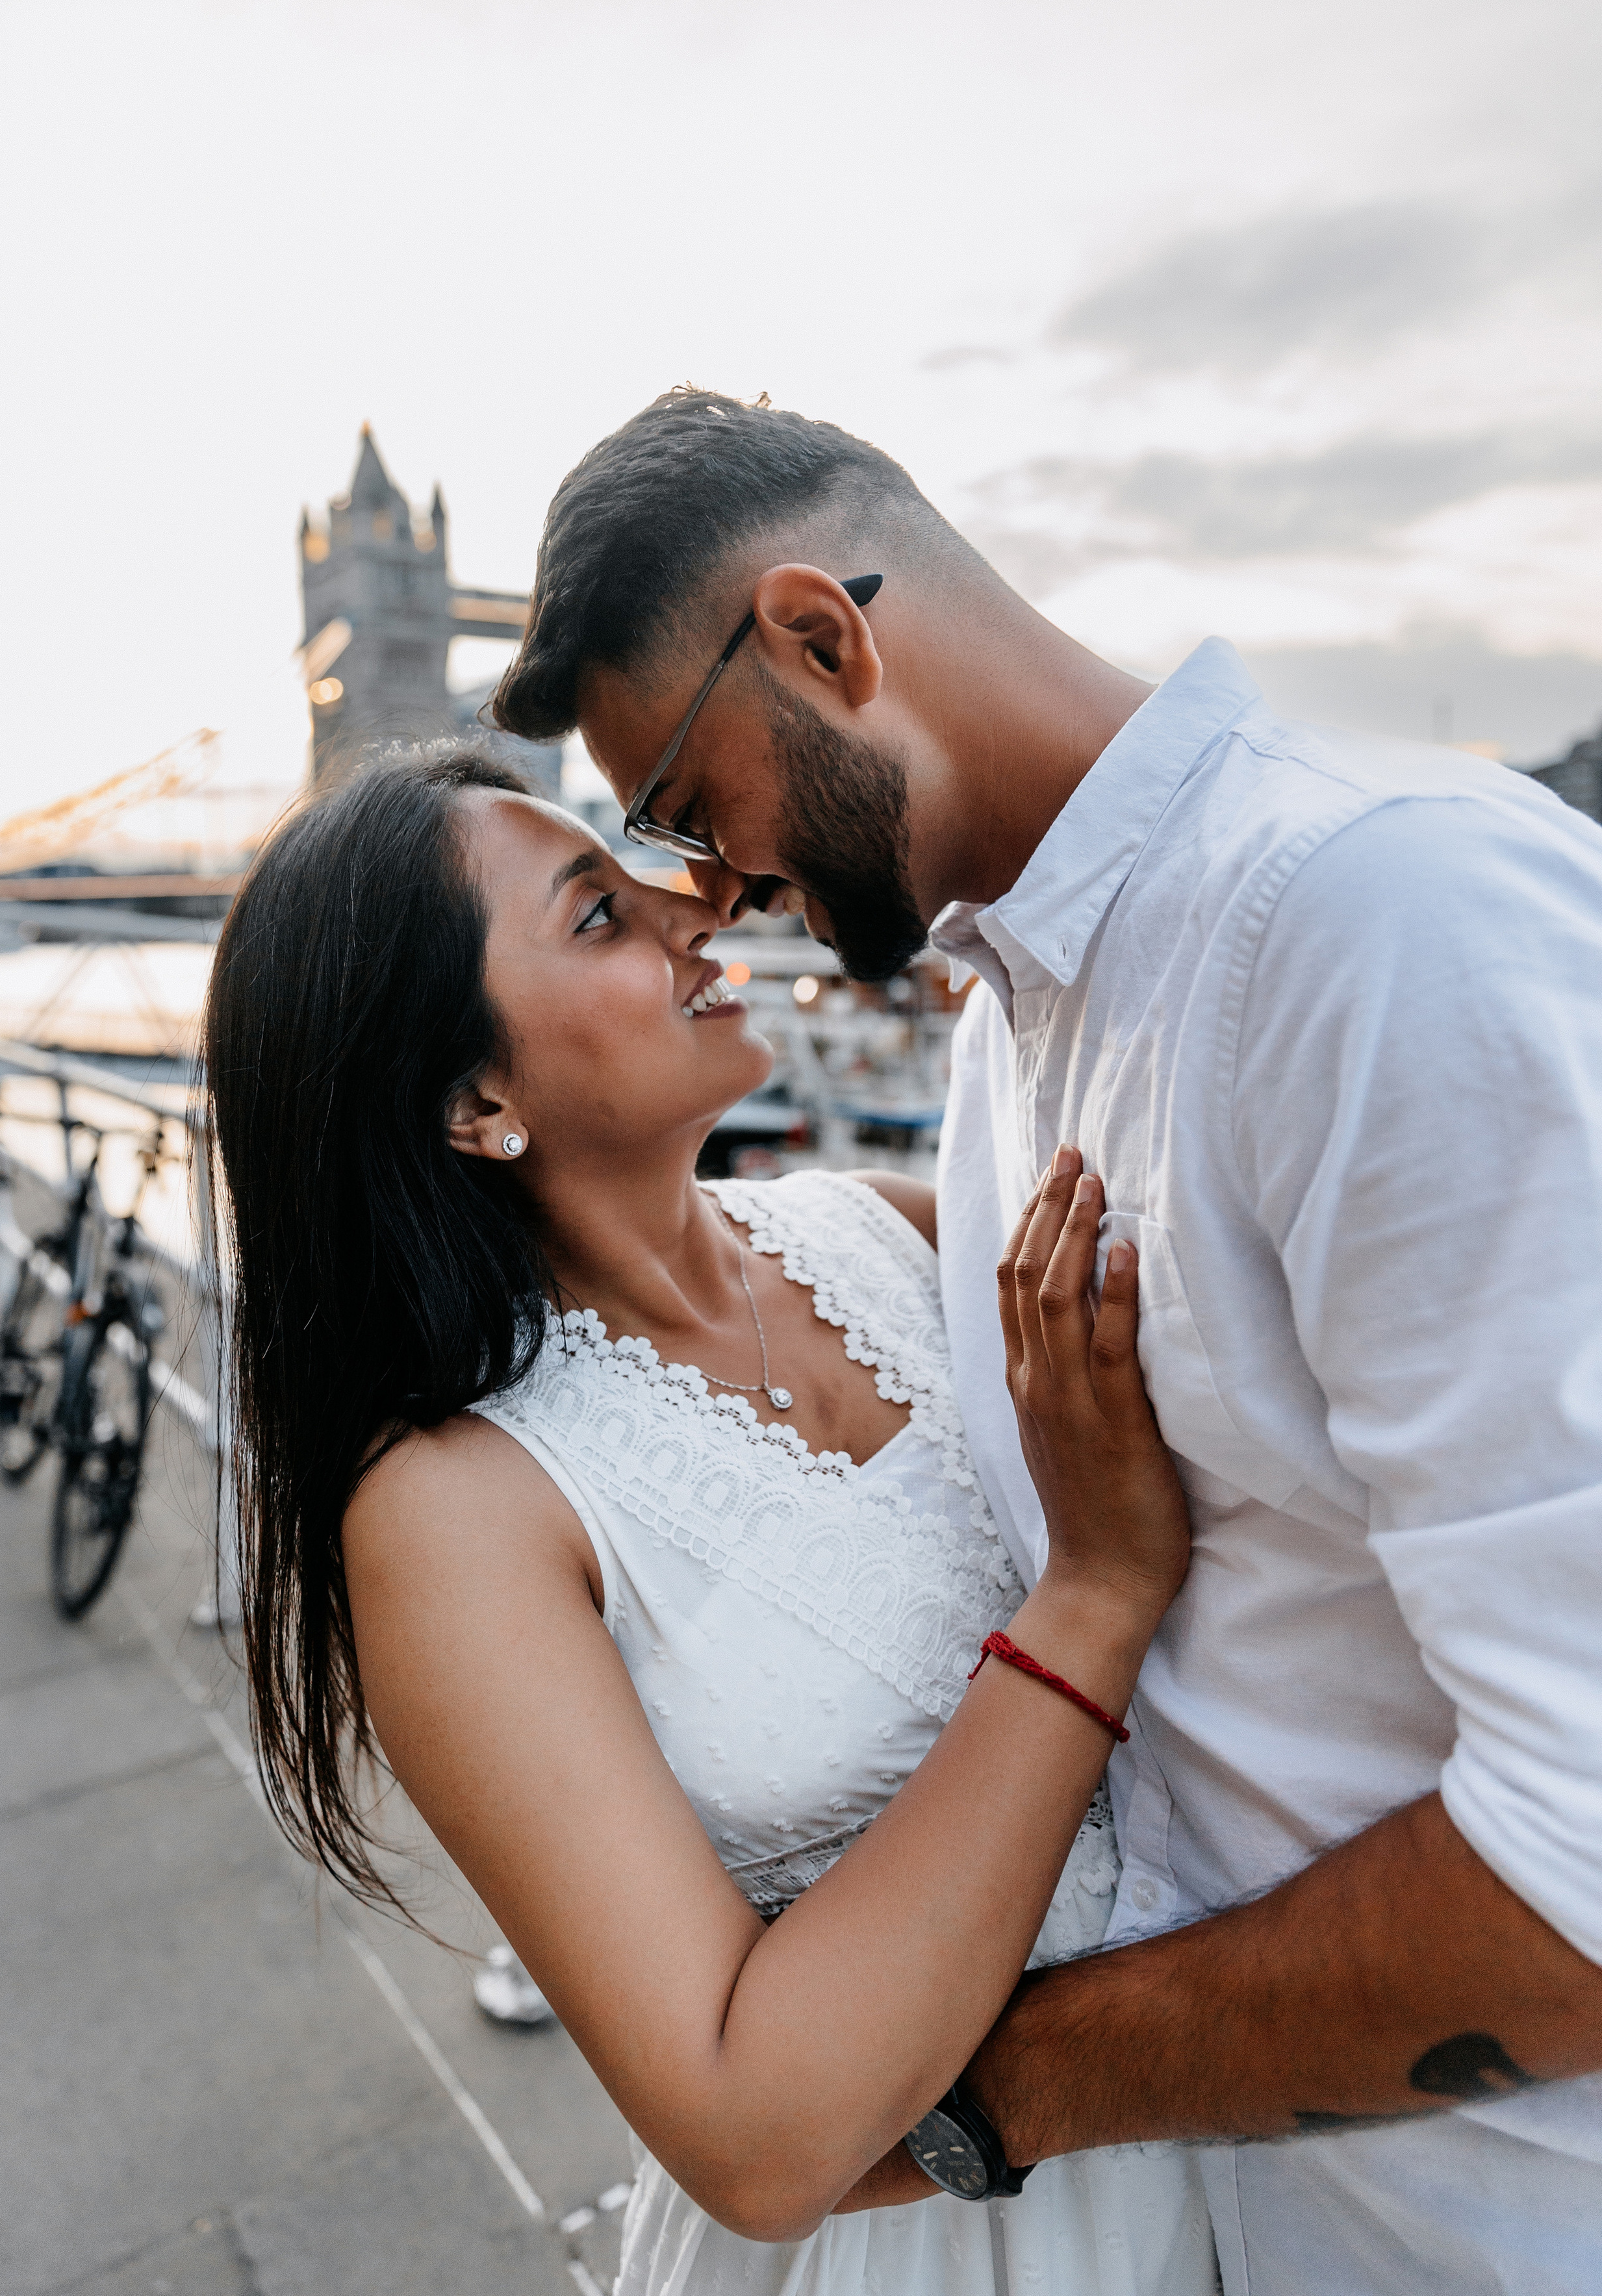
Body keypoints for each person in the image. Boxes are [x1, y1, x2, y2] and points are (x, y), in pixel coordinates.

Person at [494, 387, 1602, 2292]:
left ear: (818, 641)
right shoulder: (1012, 1038)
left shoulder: (1378, 923)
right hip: (1235, 2229)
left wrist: (994, 2103)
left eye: (678, 808)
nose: (707, 892)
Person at [202, 749, 1218, 2295]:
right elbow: (753, 2143)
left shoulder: (885, 1229)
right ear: (476, 1102)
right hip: (930, 2247)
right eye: (597, 915)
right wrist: (1091, 1594)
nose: (696, 912)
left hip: (1242, 2159)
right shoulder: (456, 1506)